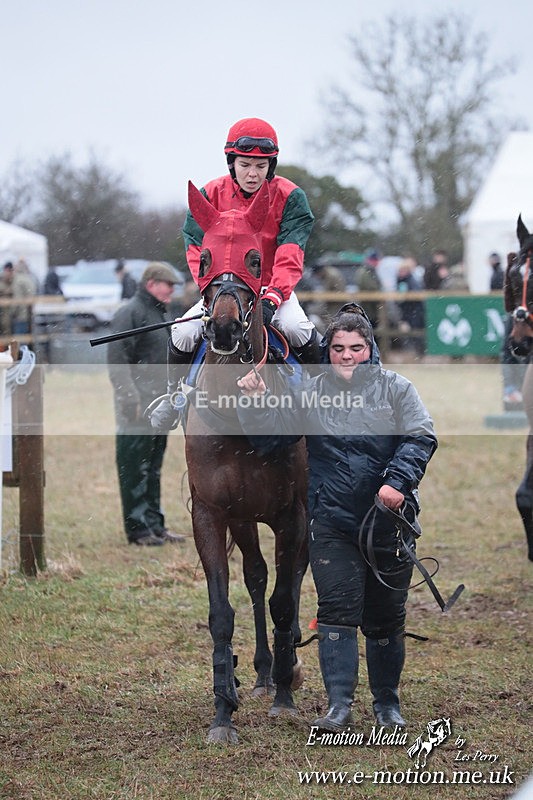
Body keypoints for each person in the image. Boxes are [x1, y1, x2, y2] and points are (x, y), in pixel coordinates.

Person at [236, 304, 437, 731]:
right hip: (332, 523)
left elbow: (421, 436)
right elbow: (272, 439)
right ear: (329, 351)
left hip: (388, 523)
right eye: (340, 348)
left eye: (357, 348)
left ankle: (387, 706)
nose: (347, 356)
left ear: (370, 349)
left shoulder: (397, 389)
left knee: (385, 618)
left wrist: (398, 482)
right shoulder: (310, 392)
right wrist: (255, 404)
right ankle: (338, 707)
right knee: (337, 612)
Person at [150, 118, 319, 433]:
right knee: (183, 333)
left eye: (261, 165)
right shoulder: (209, 193)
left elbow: (290, 253)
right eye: (245, 165)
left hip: (271, 288)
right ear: (232, 162)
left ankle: (331, 396)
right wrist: (210, 289)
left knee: (296, 327)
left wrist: (273, 296)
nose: (253, 174)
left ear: (272, 164)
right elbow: (195, 248)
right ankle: (174, 395)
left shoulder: (291, 196)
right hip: (223, 290)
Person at [107, 262, 186, 546]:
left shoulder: (156, 313)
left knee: (152, 468)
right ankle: (138, 529)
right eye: (169, 284)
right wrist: (130, 398)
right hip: (138, 406)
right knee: (134, 467)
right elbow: (118, 362)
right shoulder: (130, 314)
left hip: (158, 406)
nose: (173, 290)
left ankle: (155, 525)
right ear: (152, 283)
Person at [395, 256, 425, 355]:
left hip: (413, 310)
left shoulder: (409, 281)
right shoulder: (402, 280)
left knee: (415, 331)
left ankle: (419, 352)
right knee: (411, 332)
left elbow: (410, 296)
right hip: (408, 310)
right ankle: (416, 352)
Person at [356, 249, 383, 328]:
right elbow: (370, 287)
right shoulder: (364, 272)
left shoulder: (371, 271)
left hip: (372, 310)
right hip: (367, 309)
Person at [11, 259, 38, 335]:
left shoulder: (18, 280)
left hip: (20, 314)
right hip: (28, 313)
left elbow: (17, 298)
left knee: (19, 338)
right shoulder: (29, 278)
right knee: (25, 336)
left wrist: (13, 312)